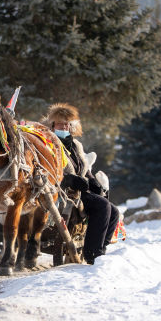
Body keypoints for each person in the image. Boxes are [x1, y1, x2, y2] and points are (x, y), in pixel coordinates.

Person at [44, 103, 121, 265]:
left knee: (113, 210)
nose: (64, 127)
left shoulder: (75, 145)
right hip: (61, 192)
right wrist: (68, 179)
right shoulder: (47, 143)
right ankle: (93, 254)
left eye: (66, 124)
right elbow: (47, 170)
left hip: (79, 190)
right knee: (102, 206)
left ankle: (101, 248)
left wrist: (94, 183)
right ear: (52, 125)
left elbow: (84, 169)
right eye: (60, 124)